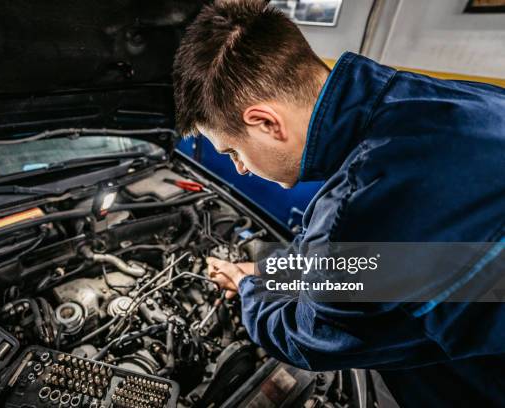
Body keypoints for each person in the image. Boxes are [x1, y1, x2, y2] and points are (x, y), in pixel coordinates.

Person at [172, 1, 505, 407]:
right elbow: (368, 261)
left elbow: (309, 335)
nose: (239, 168)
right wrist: (269, 267)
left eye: (232, 152)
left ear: (265, 122)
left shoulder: (364, 203)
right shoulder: (429, 99)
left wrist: (249, 288)